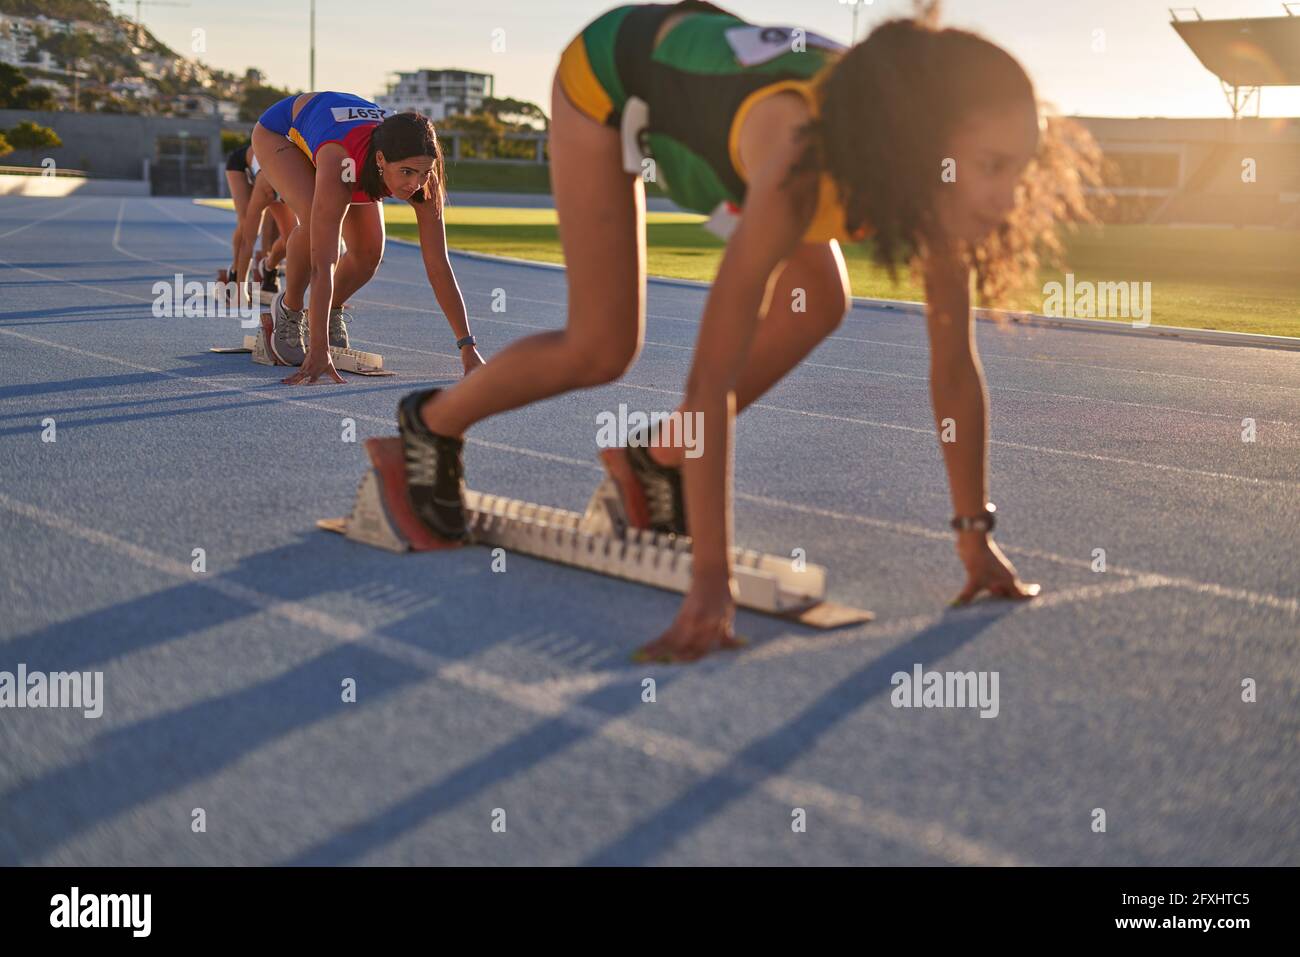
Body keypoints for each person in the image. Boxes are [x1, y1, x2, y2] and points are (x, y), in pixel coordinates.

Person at [389, 1, 1097, 661]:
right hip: (613, 74)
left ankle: (651, 463)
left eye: (1021, 168)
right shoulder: (797, 162)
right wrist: (710, 582)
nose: (1008, 200)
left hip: (718, 100)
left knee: (820, 300)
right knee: (603, 346)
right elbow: (711, 378)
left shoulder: (929, 186)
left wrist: (975, 540)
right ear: (921, 143)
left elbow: (953, 365)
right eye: (993, 167)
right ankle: (431, 423)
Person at [252, 92, 484, 383]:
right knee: (317, 227)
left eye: (424, 173)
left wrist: (467, 346)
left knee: (368, 253)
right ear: (380, 160)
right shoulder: (342, 161)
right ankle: (290, 309)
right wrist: (320, 349)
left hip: (345, 144)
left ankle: (328, 310)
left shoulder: (423, 171)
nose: (415, 183)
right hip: (282, 134)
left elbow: (439, 264)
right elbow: (323, 264)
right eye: (406, 172)